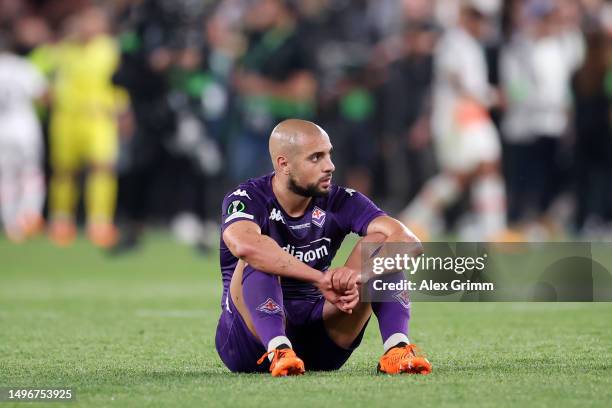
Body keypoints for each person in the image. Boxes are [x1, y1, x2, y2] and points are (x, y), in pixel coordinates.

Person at [215, 119, 431, 376]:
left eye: (329, 154)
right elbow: (246, 246)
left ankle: (397, 349)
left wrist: (357, 276)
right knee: (259, 253)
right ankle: (279, 349)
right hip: (249, 346)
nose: (330, 166)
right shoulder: (247, 198)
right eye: (316, 158)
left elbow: (409, 242)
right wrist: (319, 278)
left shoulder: (340, 199)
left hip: (321, 339)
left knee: (382, 248)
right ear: (284, 164)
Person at [398, 0, 509, 241]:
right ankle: (412, 221)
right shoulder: (454, 43)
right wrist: (492, 96)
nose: (481, 23)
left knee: (483, 168)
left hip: (471, 118)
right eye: (476, 17)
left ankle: (492, 229)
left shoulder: (470, 44)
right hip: (456, 121)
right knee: (460, 175)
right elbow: (461, 83)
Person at [47, 6, 124, 247]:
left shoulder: (109, 49)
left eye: (94, 22)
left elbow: (120, 81)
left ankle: (99, 223)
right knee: (64, 171)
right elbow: (39, 71)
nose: (88, 27)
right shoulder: (62, 49)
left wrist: (121, 109)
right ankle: (61, 221)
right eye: (84, 22)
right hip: (66, 118)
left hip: (99, 117)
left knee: (102, 168)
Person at [0, 34, 46, 242]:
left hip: (2, 129)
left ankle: (10, 224)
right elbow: (44, 96)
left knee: (6, 177)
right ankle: (29, 218)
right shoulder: (23, 67)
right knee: (30, 174)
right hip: (24, 129)